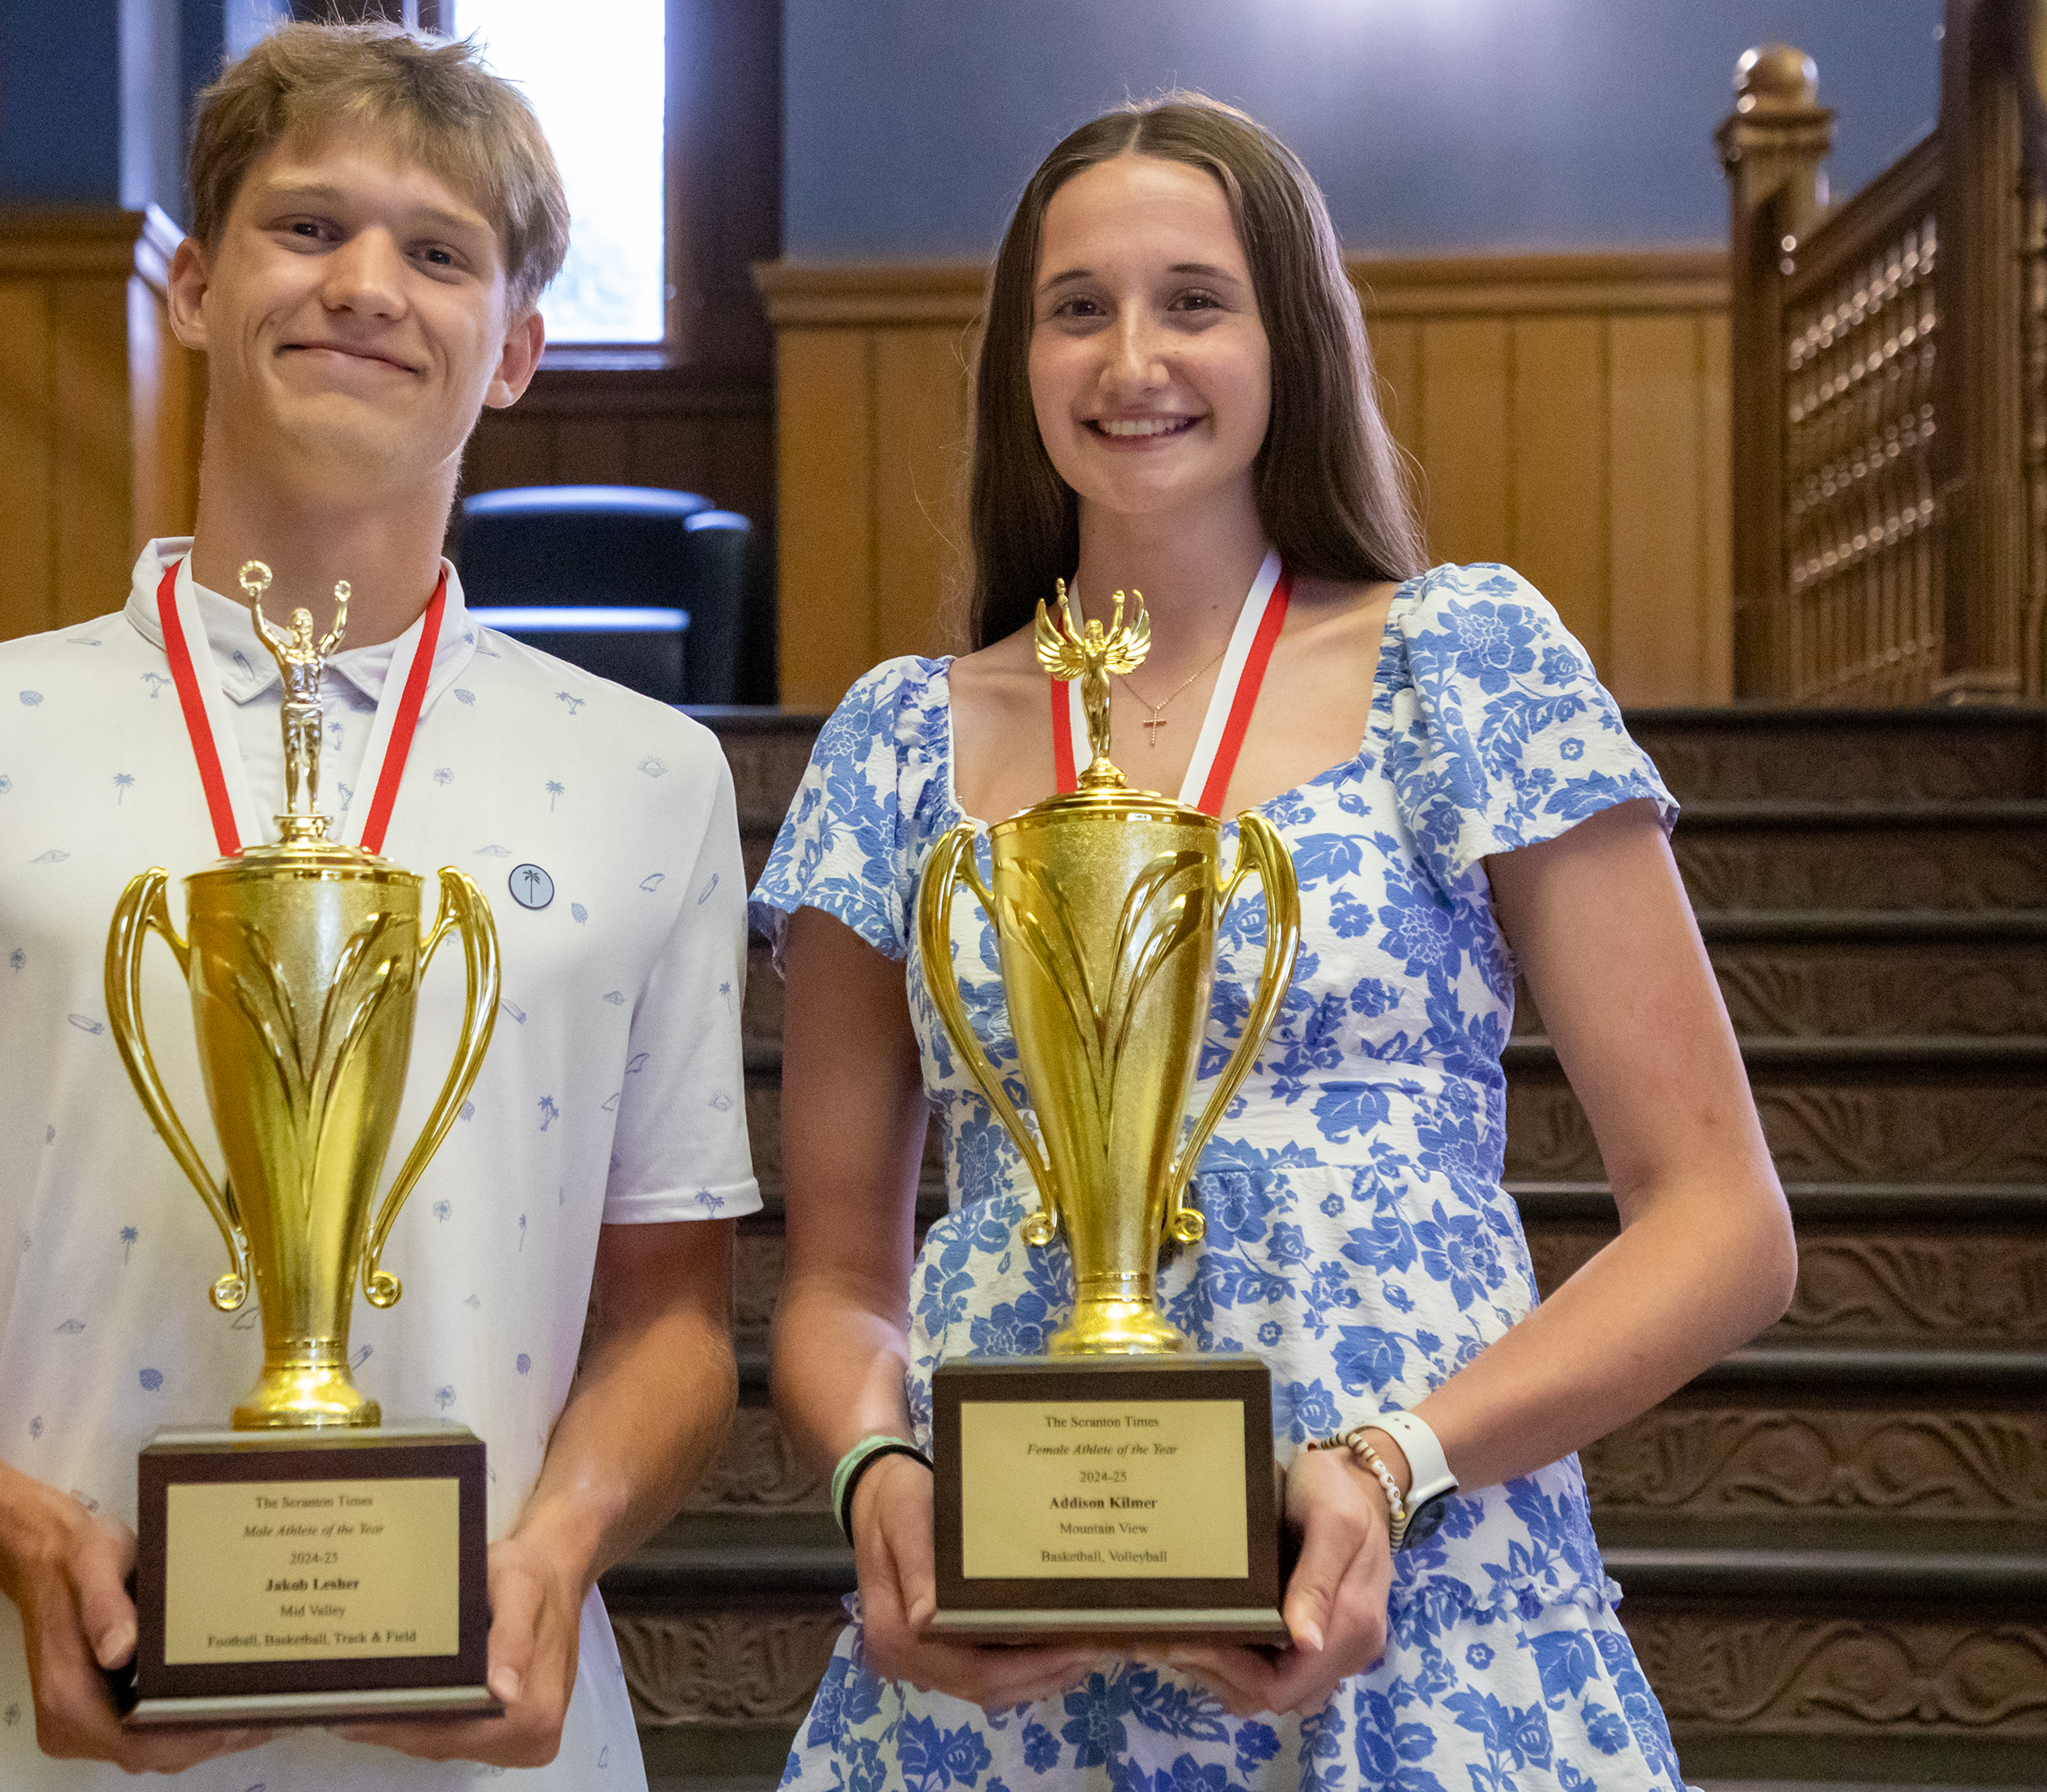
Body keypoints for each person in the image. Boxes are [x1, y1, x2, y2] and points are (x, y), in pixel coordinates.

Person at [0, 22, 758, 1789]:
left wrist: (557, 1543)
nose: (366, 287)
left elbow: (672, 1322)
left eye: (439, 250)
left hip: (495, 1753)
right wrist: (22, 1537)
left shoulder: (650, 780)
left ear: (519, 350)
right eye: (306, 226)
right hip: (35, 1741)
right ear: (190, 284)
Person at [751, 96, 1793, 1788]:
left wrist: (1397, 1462)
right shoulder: (894, 747)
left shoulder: (1462, 663)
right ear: (1019, 358)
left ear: (1290, 340)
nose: (1131, 358)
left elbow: (1726, 1223)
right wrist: (880, 1478)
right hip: (1007, 1631)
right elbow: (841, 1286)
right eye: (1076, 306)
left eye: (1194, 300)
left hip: (1420, 1590)